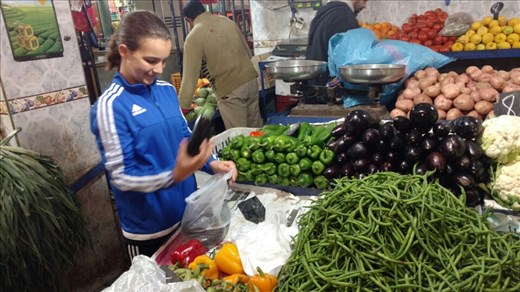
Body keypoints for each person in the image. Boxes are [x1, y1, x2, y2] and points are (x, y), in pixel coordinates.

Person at [90, 10, 237, 260]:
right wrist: (175, 175)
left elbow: (185, 134)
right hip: (148, 232)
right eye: (150, 60)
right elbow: (122, 178)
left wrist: (211, 162)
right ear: (124, 51)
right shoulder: (110, 107)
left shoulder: (167, 91)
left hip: (186, 218)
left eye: (163, 60)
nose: (159, 69)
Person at [179, 0, 263, 129]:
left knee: (239, 136)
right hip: (251, 82)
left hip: (231, 89)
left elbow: (190, 77)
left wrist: (182, 108)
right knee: (256, 130)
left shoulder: (194, 36)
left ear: (188, 19)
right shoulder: (227, 21)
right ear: (203, 9)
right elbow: (247, 51)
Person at [306, 0, 368, 85]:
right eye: (364, 0)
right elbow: (346, 63)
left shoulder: (325, 10)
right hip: (330, 91)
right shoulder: (343, 16)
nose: (364, 5)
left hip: (315, 85)